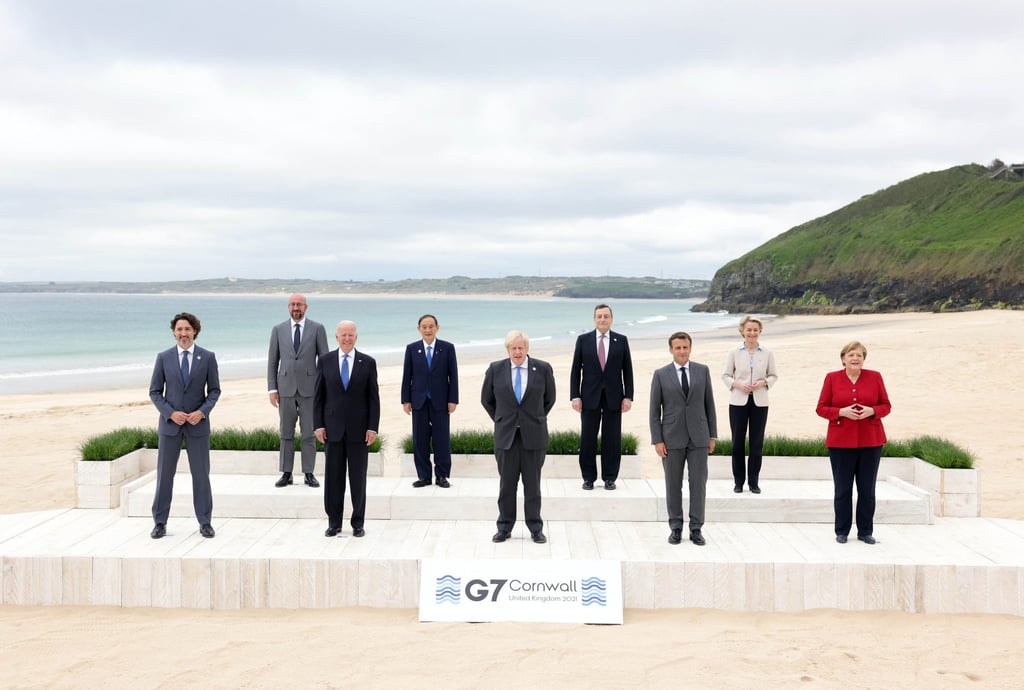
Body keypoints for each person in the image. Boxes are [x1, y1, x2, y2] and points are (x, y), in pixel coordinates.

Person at [148, 312, 221, 540]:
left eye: (187, 329)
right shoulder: (163, 358)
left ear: (195, 331)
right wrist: (170, 413)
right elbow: (155, 392)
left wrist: (202, 412)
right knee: (164, 476)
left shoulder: (207, 357)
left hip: (198, 427)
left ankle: (205, 522)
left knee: (201, 476)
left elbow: (215, 391)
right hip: (170, 427)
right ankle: (160, 522)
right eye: (179, 329)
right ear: (174, 332)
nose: (183, 334)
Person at [481, 330, 556, 544]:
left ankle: (535, 528)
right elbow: (487, 400)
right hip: (506, 437)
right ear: (507, 349)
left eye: (521, 347)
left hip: (534, 436)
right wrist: (503, 419)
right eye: (513, 348)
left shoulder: (542, 368)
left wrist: (533, 418)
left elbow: (549, 399)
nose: (517, 351)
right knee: (507, 486)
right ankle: (504, 527)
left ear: (527, 349)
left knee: (533, 486)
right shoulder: (496, 369)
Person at [816, 341, 891, 545]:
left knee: (867, 489)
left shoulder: (875, 377)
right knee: (842, 489)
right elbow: (821, 408)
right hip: (840, 443)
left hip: (871, 441)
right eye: (851, 355)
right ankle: (842, 531)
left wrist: (872, 411)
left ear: (863, 359)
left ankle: (865, 531)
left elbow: (886, 405)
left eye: (859, 355)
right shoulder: (832, 378)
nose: (855, 358)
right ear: (843, 359)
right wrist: (841, 412)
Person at [649, 332, 717, 546]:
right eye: (677, 348)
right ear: (671, 350)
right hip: (671, 438)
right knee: (673, 485)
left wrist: (712, 435)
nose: (682, 351)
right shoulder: (660, 374)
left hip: (699, 437)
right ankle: (676, 528)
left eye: (685, 347)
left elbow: (710, 405)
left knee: (698, 485)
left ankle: (696, 529)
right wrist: (657, 440)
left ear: (690, 348)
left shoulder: (703, 371)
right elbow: (654, 412)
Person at [314, 321, 380, 538]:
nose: (347, 338)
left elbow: (373, 399)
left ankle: (358, 523)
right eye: (343, 335)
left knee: (358, 479)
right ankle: (334, 523)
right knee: (333, 479)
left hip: (359, 431)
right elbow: (318, 397)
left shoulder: (368, 363)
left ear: (356, 337)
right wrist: (318, 425)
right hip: (331, 430)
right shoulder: (324, 361)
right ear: (336, 337)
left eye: (350, 335)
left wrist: (372, 428)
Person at [267, 293, 330, 488]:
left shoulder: (317, 328)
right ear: (288, 307)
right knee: (285, 433)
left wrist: (324, 389)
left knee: (309, 433)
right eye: (293, 304)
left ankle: (309, 473)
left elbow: (325, 360)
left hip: (310, 389)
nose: (296, 308)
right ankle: (286, 473)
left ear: (306, 307)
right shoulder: (278, 330)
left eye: (299, 304)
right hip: (284, 389)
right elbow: (272, 361)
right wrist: (272, 388)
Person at [569, 303, 634, 491]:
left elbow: (627, 370)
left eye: (606, 316)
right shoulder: (583, 340)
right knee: (588, 438)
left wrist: (628, 396)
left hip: (614, 397)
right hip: (589, 397)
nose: (603, 319)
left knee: (612, 439)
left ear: (611, 319)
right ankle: (588, 478)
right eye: (599, 316)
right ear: (594, 319)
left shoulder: (621, 340)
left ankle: (609, 478)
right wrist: (575, 396)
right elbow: (575, 370)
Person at [401, 314, 459, 488]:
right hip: (418, 400)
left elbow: (453, 376)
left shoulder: (447, 348)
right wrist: (406, 400)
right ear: (419, 329)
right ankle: (424, 476)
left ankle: (442, 475)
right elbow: (407, 376)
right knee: (420, 440)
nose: (428, 330)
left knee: (441, 439)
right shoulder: (412, 349)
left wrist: (453, 400)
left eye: (431, 326)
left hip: (441, 401)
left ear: (437, 328)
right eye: (424, 327)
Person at [722, 316, 778, 494]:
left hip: (760, 402)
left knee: (756, 444)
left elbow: (773, 375)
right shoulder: (734, 352)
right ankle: (738, 482)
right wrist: (738, 385)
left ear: (760, 332)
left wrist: (763, 383)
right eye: (749, 330)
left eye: (755, 330)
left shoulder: (767, 352)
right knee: (737, 443)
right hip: (738, 401)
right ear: (742, 332)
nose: (752, 333)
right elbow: (726, 375)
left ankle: (753, 482)